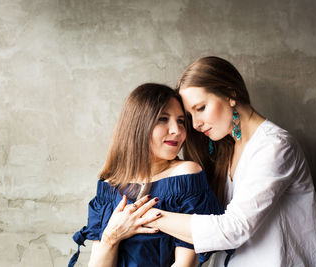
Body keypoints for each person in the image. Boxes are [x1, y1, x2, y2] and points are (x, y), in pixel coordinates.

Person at [140, 56, 316, 266]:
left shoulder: (275, 146)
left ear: (231, 94)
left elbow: (234, 228)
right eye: (190, 116)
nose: (196, 124)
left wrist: (142, 214)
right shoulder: (227, 148)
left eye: (200, 108)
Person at [68, 83, 224, 267]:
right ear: (138, 125)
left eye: (181, 121)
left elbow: (186, 264)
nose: (177, 130)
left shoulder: (186, 177)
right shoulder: (110, 185)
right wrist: (111, 237)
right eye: (163, 119)